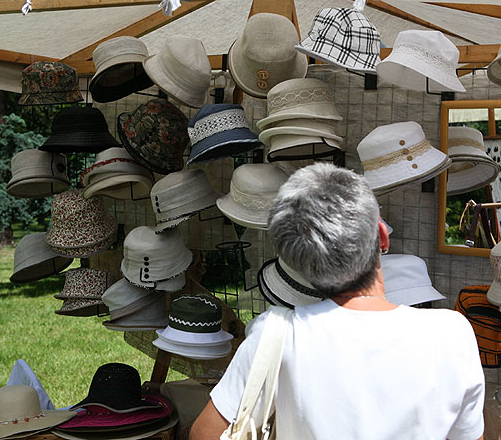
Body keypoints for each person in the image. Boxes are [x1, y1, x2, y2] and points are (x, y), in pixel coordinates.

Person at [190, 163, 485, 440]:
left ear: (298, 263)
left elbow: (204, 434)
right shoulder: (452, 334)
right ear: (382, 237)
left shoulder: (278, 335)